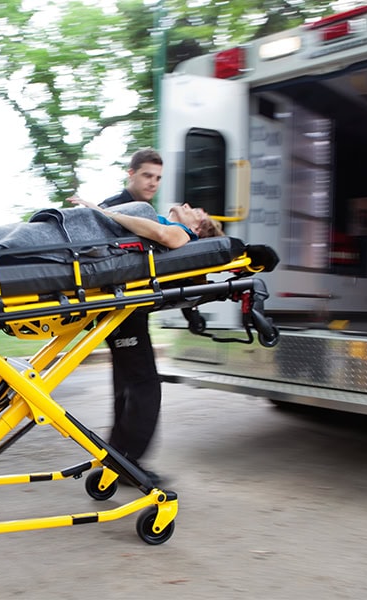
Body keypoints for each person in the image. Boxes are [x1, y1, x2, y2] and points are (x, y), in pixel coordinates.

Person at [69, 148, 223, 487]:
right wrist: (96, 209)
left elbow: (175, 273)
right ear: (132, 173)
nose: (153, 183)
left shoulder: (149, 214)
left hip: (130, 310)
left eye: (157, 178)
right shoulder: (121, 208)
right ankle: (129, 463)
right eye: (147, 176)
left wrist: (191, 310)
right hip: (120, 310)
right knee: (143, 386)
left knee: (127, 386)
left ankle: (119, 458)